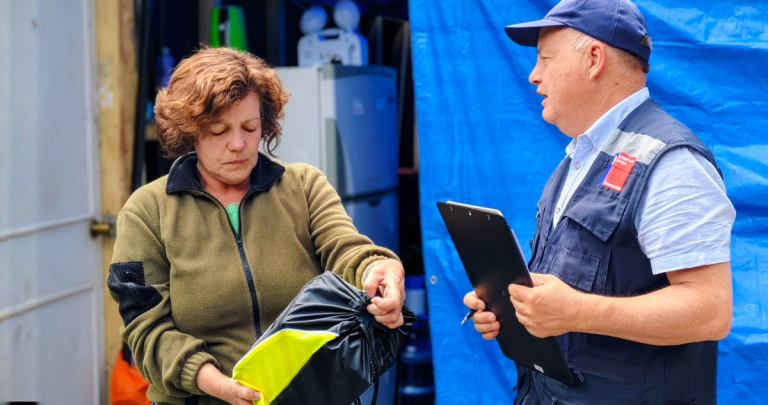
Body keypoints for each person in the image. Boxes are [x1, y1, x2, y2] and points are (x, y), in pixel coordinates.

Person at [463, 0, 735, 403]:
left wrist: (576, 312)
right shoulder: (578, 160)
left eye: (545, 59)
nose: (533, 76)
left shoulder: (672, 162)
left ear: (594, 59)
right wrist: (515, 309)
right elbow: (572, 283)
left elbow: (710, 310)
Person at [107, 47, 406, 405]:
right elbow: (146, 329)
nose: (239, 144)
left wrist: (378, 267)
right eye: (219, 130)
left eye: (250, 127)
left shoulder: (303, 186)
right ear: (190, 132)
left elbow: (346, 248)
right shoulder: (147, 211)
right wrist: (215, 383)